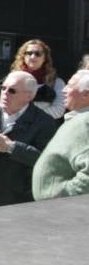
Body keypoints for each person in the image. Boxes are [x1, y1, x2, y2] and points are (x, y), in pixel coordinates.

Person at [0, 70, 57, 207]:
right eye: (3, 88)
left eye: (12, 90)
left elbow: (45, 162)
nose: (5, 93)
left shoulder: (44, 122)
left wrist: (11, 147)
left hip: (17, 198)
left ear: (29, 96)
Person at [33, 69, 89, 199]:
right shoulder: (78, 119)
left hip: (63, 211)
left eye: (70, 85)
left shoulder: (85, 122)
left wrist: (63, 196)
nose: (64, 90)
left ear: (86, 95)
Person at [9, 39, 66, 119]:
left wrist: (31, 117)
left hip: (42, 128)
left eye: (38, 54)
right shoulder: (12, 79)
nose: (33, 56)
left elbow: (59, 110)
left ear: (45, 58)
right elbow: (6, 103)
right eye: (29, 53)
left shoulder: (56, 82)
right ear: (23, 56)